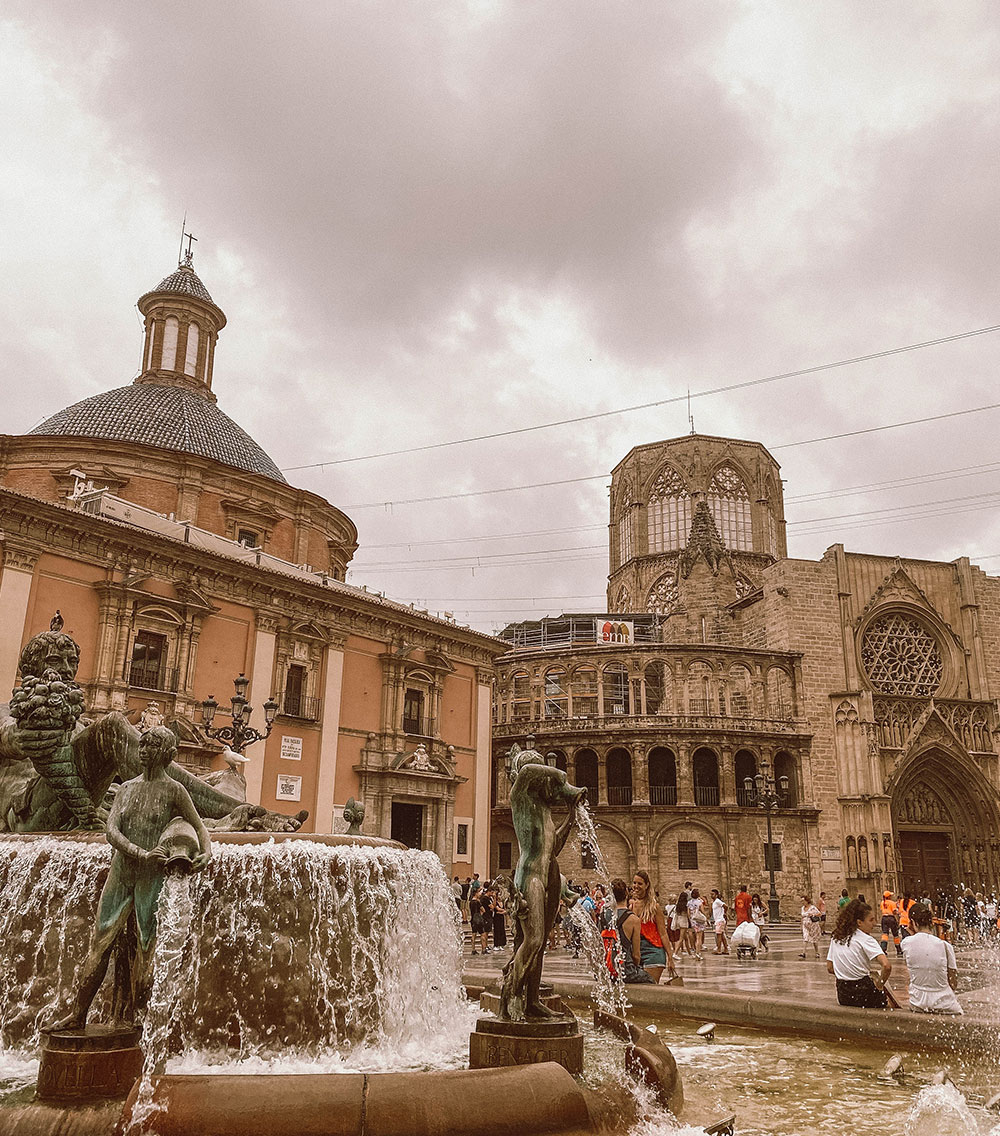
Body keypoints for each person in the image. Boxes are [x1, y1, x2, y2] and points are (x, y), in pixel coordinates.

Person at [826, 898, 891, 1008]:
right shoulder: (866, 939)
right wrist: (879, 985)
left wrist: (847, 973)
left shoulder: (836, 937)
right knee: (888, 998)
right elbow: (887, 966)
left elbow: (830, 968)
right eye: (871, 920)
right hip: (862, 993)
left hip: (843, 994)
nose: (874, 924)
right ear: (859, 922)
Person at [901, 903, 962, 1014]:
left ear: (913, 923)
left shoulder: (906, 943)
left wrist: (912, 933)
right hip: (945, 1005)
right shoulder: (945, 946)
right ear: (931, 923)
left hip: (917, 1004)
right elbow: (953, 983)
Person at [603, 878, 653, 984]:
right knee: (650, 980)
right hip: (625, 970)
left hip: (605, 970)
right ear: (626, 893)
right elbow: (636, 955)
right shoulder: (633, 919)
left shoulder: (603, 916)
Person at [630, 870, 675, 982]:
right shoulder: (631, 906)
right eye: (634, 883)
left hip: (653, 951)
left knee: (649, 989)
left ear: (647, 885)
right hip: (636, 953)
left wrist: (670, 957)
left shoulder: (654, 907)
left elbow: (663, 933)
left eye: (640, 884)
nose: (636, 886)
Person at [880, 891, 902, 957]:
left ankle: (883, 948)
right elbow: (894, 912)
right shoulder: (892, 903)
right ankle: (898, 949)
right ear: (889, 896)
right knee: (895, 934)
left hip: (884, 918)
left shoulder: (882, 903)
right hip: (891, 918)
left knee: (885, 934)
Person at [688, 887, 708, 961]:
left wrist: (691, 920)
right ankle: (697, 953)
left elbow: (688, 913)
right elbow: (702, 911)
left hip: (693, 921)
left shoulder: (689, 902)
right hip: (699, 921)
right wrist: (706, 918)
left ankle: (695, 952)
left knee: (695, 936)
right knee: (699, 938)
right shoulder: (699, 902)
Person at [800, 895, 822, 959]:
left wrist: (813, 914)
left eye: (803, 901)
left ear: (807, 901)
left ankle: (817, 952)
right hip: (805, 925)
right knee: (805, 937)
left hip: (813, 925)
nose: (802, 902)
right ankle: (803, 952)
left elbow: (819, 914)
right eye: (801, 901)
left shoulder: (812, 907)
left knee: (814, 940)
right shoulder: (802, 908)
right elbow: (802, 917)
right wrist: (801, 925)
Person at [711, 888, 729, 955]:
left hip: (719, 920)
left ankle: (719, 949)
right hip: (718, 920)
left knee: (718, 935)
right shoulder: (714, 902)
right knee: (721, 935)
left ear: (716, 895)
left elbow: (725, 906)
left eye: (713, 894)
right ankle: (726, 948)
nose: (711, 896)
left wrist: (724, 913)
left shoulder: (718, 901)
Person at [673, 890, 692, 957]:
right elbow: (688, 914)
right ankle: (675, 953)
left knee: (685, 938)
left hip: (679, 920)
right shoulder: (686, 904)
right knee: (681, 939)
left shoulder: (678, 904)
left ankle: (690, 953)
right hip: (684, 921)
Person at [492, 886, 508, 951]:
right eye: (498, 895)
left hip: (501, 918)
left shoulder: (503, 903)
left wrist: (502, 912)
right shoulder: (496, 903)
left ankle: (502, 944)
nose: (500, 896)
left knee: (502, 931)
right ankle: (496, 944)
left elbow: (505, 911)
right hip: (496, 918)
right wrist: (502, 911)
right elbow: (497, 908)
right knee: (497, 931)